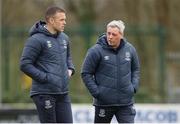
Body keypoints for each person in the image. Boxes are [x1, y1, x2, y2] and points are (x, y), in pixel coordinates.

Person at [20, 6, 75, 123]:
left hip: (63, 92)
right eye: (61, 20)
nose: (65, 22)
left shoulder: (65, 38)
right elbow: (25, 64)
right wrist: (45, 77)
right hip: (44, 93)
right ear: (51, 20)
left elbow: (68, 58)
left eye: (65, 19)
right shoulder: (36, 39)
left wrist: (70, 69)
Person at [81, 20, 140, 123]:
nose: (110, 36)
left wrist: (133, 87)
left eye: (114, 34)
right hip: (104, 103)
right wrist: (97, 93)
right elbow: (86, 73)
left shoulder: (130, 50)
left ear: (121, 35)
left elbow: (135, 70)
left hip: (126, 103)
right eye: (108, 33)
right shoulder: (96, 51)